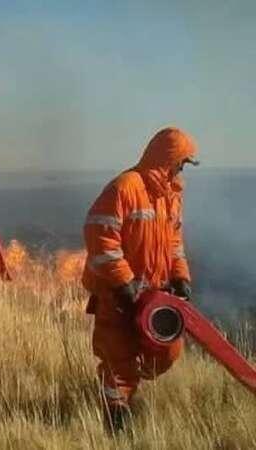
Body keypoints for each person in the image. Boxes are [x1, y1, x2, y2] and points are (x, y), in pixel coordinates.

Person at [82, 127, 199, 433]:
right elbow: (100, 235)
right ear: (167, 158)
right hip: (117, 295)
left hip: (153, 296)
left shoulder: (171, 196)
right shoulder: (125, 187)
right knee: (116, 357)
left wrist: (180, 276)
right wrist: (123, 282)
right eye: (181, 162)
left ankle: (128, 391)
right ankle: (116, 420)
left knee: (168, 350)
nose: (182, 169)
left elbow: (174, 242)